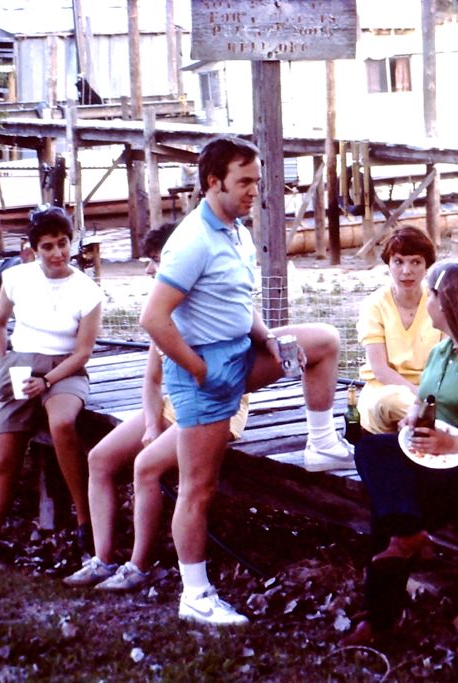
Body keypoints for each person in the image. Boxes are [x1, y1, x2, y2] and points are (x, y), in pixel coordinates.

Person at [140, 136, 351, 626]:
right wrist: (198, 370)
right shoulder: (191, 241)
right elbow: (154, 319)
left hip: (242, 352)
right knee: (199, 488)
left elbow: (239, 302)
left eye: (257, 181)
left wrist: (270, 338)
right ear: (213, 183)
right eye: (244, 182)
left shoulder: (235, 230)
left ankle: (321, 443)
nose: (255, 190)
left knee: (320, 341)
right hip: (204, 372)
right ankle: (195, 596)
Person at [344, 259, 458, 645]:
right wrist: (412, 422)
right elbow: (426, 404)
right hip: (439, 456)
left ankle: (379, 619)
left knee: (392, 512)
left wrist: (457, 442)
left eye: (431, 295)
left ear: (447, 302)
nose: (424, 302)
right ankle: (411, 539)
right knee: (372, 451)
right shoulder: (442, 351)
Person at [63, 224, 250, 591]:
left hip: (216, 409)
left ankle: (139, 566)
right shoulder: (164, 310)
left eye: (155, 261)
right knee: (99, 458)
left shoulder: (207, 307)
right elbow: (151, 379)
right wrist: (151, 425)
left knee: (145, 467)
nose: (150, 270)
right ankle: (102, 559)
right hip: (174, 404)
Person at [0, 206, 103, 558]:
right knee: (6, 460)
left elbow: (84, 353)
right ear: (33, 250)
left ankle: (85, 522)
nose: (57, 253)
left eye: (63, 243)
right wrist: (6, 365)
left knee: (61, 423)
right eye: (48, 246)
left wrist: (47, 381)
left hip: (64, 370)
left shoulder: (87, 290)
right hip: (21, 365)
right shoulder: (17, 278)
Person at [356, 225, 443, 434]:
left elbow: (448, 360)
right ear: (388, 264)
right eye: (398, 262)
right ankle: (443, 424)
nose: (406, 271)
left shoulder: (439, 302)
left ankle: (435, 426)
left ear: (426, 266)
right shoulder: (374, 304)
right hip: (386, 391)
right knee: (393, 400)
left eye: (415, 262)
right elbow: (381, 370)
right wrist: (421, 399)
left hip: (433, 392)